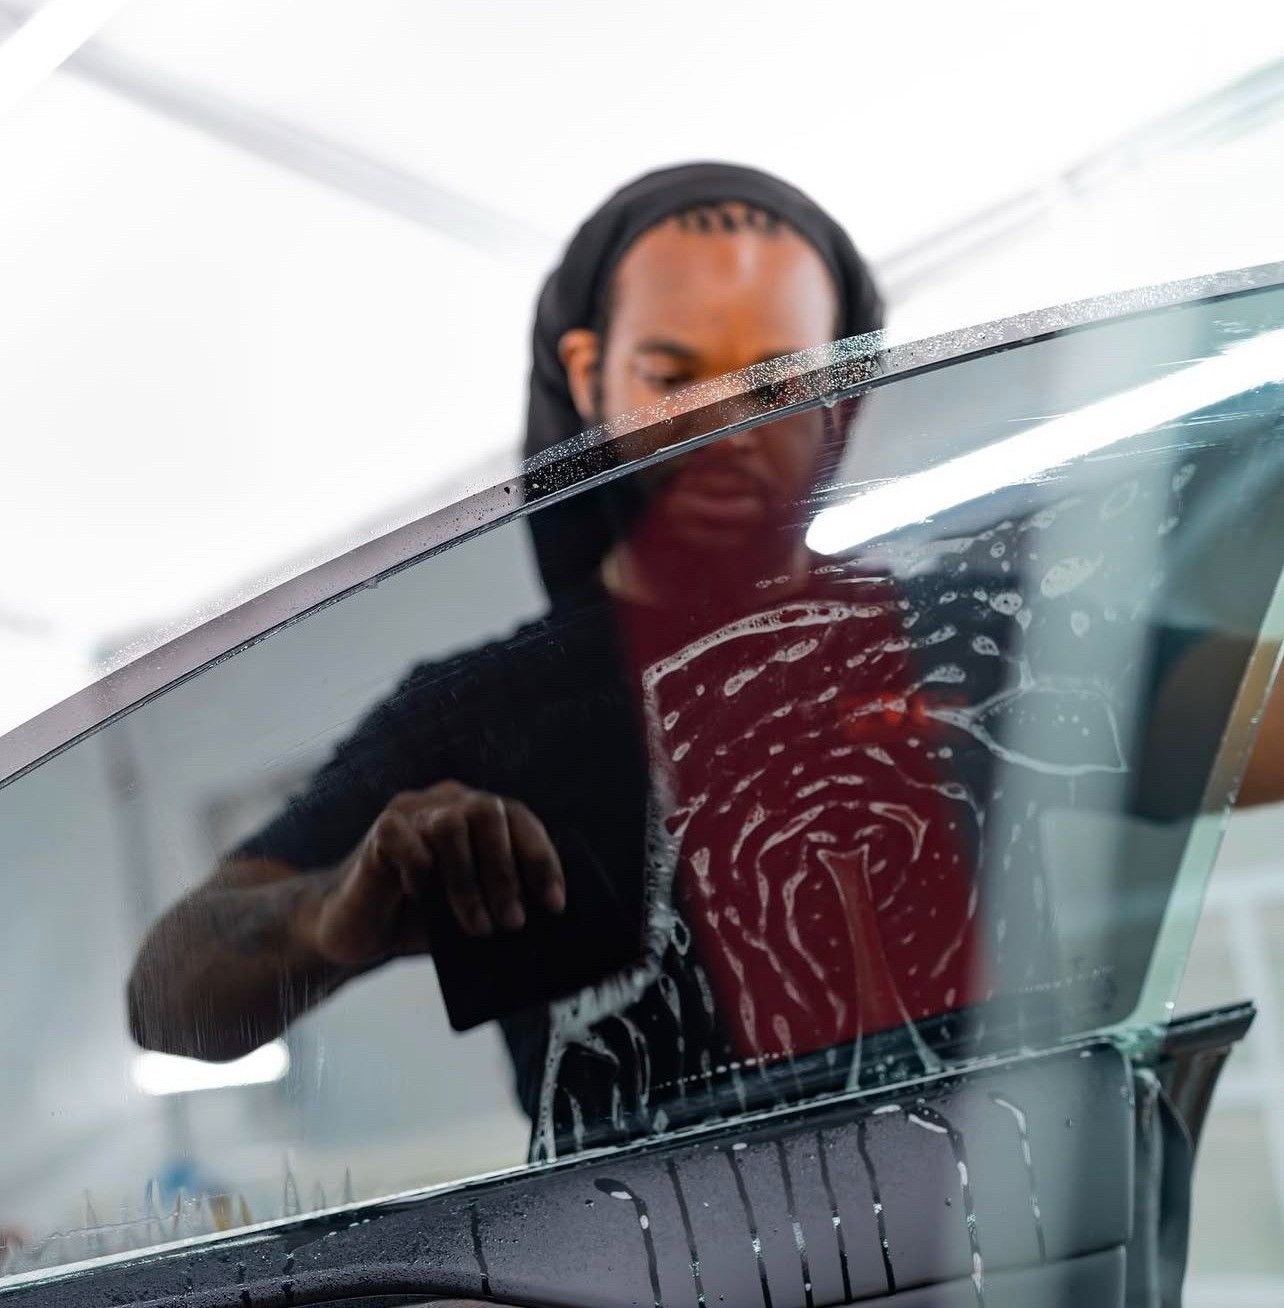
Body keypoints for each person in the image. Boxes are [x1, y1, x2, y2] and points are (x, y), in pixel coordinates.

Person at [127, 162, 1284, 1155]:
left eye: (778, 381)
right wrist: (335, 908)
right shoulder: (477, 719)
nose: (725, 426)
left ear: (843, 390)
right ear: (589, 374)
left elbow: (1256, 722)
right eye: (675, 376)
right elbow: (173, 997)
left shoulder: (973, 640)